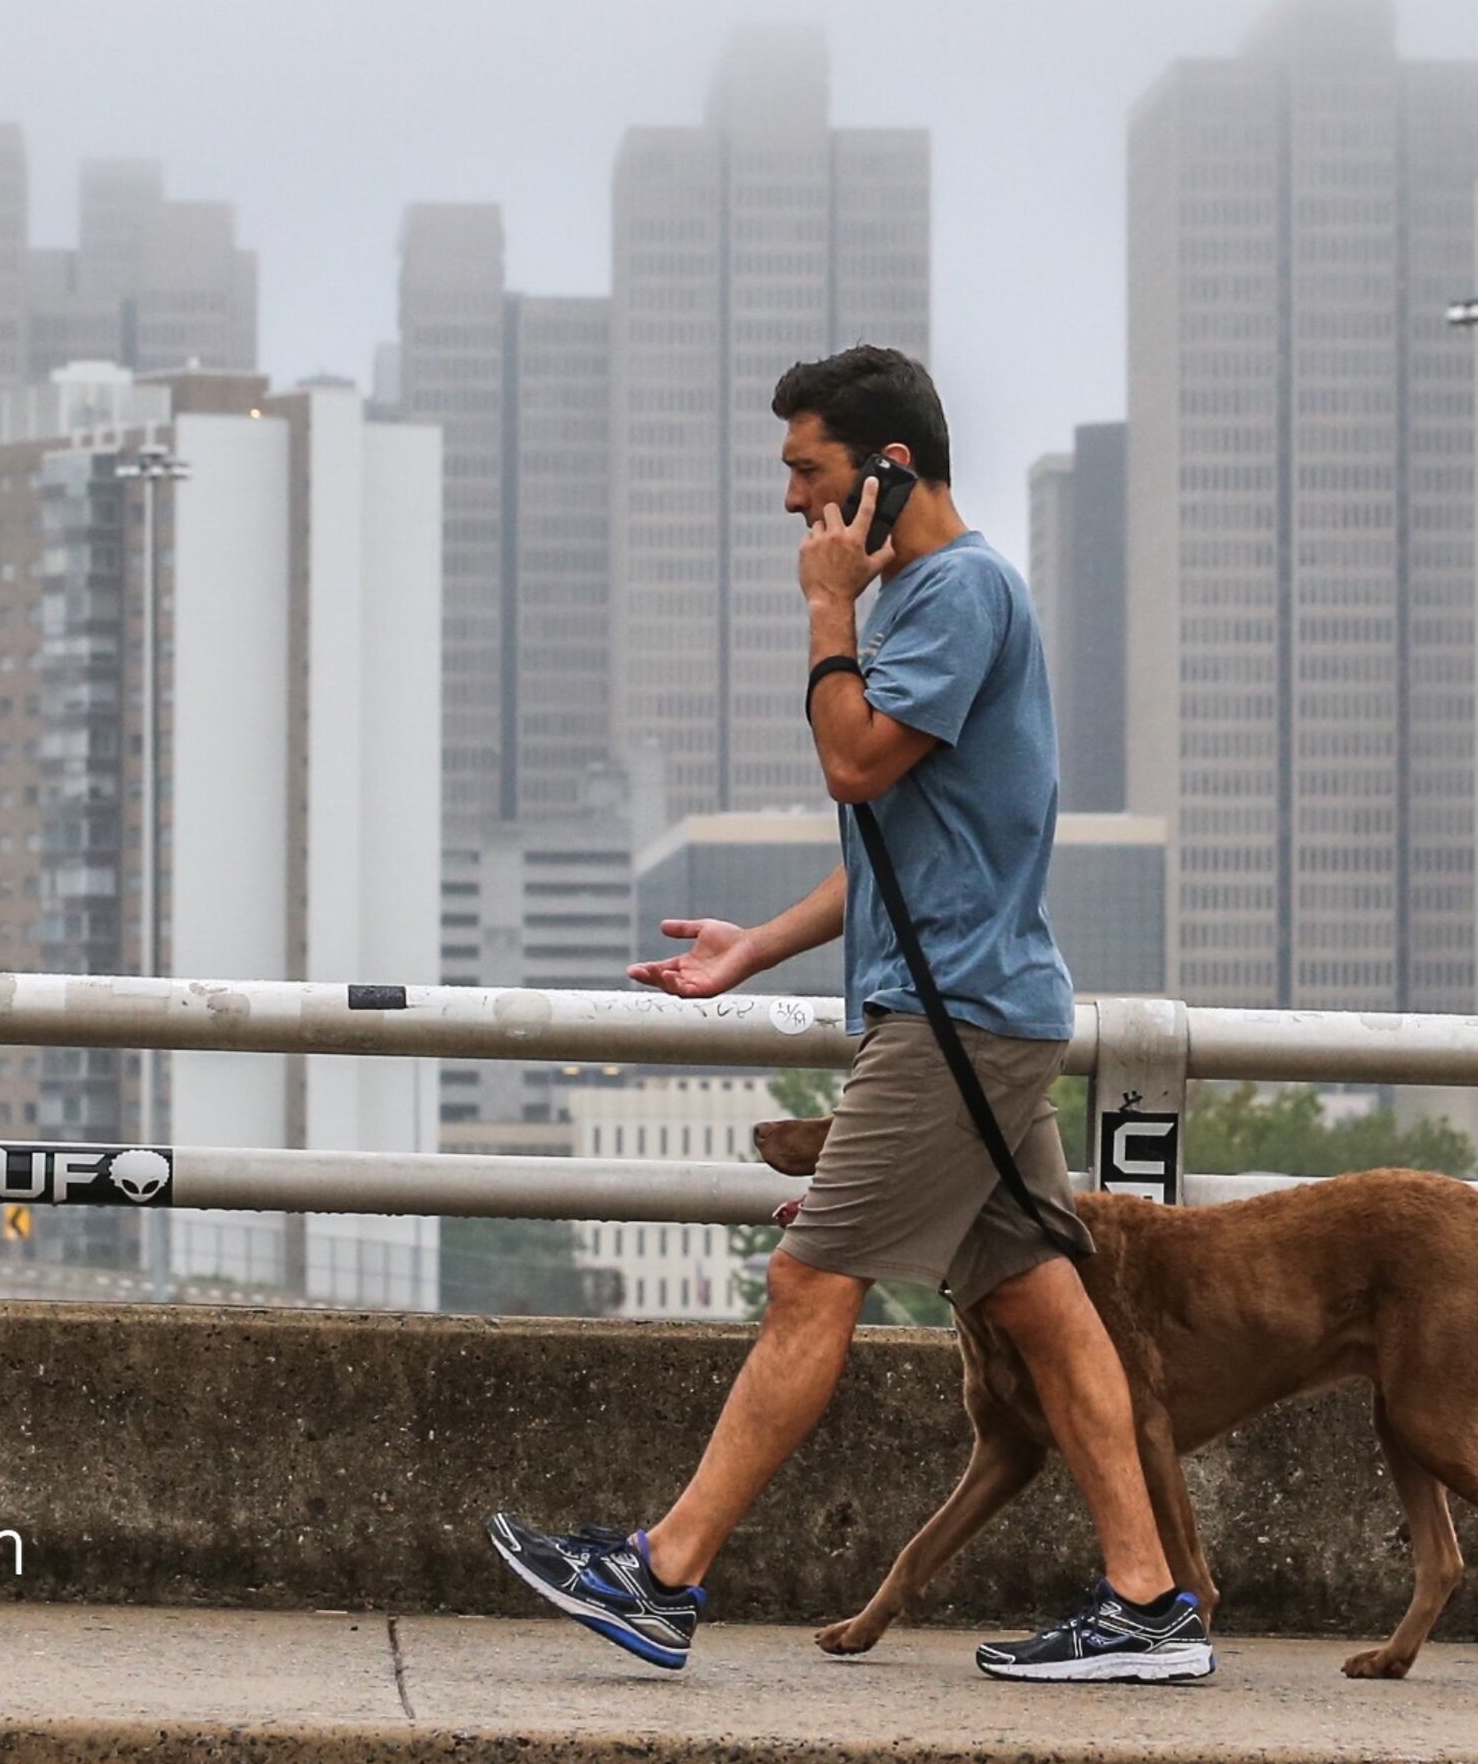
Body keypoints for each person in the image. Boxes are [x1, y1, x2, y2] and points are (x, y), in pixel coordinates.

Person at [487, 345, 1210, 1684]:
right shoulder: (939, 598)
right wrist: (757, 945)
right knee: (1047, 1308)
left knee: (807, 1281)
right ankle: (1150, 1603)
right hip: (964, 1007)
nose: (789, 505)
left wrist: (828, 612)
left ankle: (663, 1573)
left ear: (886, 470)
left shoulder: (950, 595)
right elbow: (900, 833)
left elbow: (852, 758)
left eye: (804, 472)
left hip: (955, 1022)